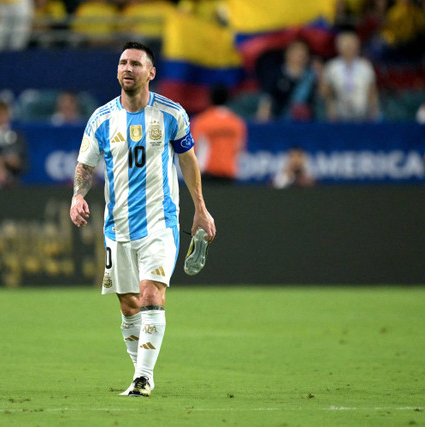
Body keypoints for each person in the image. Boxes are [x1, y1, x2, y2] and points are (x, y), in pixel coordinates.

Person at [69, 41, 216, 398]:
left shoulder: (171, 114)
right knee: (128, 303)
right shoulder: (102, 118)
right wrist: (76, 196)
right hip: (117, 227)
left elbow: (188, 160)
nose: (127, 68)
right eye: (123, 62)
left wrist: (200, 207)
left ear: (151, 72)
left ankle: (143, 378)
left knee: (152, 294)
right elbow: (85, 167)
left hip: (160, 222)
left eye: (136, 63)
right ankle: (140, 372)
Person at [190, 85, 247, 183]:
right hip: (229, 174)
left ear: (210, 99)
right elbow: (240, 148)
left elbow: (193, 148)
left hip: (207, 173)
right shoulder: (237, 123)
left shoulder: (201, 121)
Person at [321, 31, 380, 122]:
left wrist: (374, 113)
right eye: (345, 44)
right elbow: (326, 93)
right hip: (339, 116)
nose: (348, 47)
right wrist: (330, 111)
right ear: (338, 47)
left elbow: (372, 92)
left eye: (351, 44)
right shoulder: (331, 67)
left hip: (362, 115)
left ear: (357, 46)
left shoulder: (366, 66)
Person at [255, 39, 318, 122]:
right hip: (278, 119)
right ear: (287, 53)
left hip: (306, 122)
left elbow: (320, 98)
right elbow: (267, 97)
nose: (299, 54)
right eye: (295, 51)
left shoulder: (312, 76)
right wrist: (264, 112)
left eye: (302, 51)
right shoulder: (275, 74)